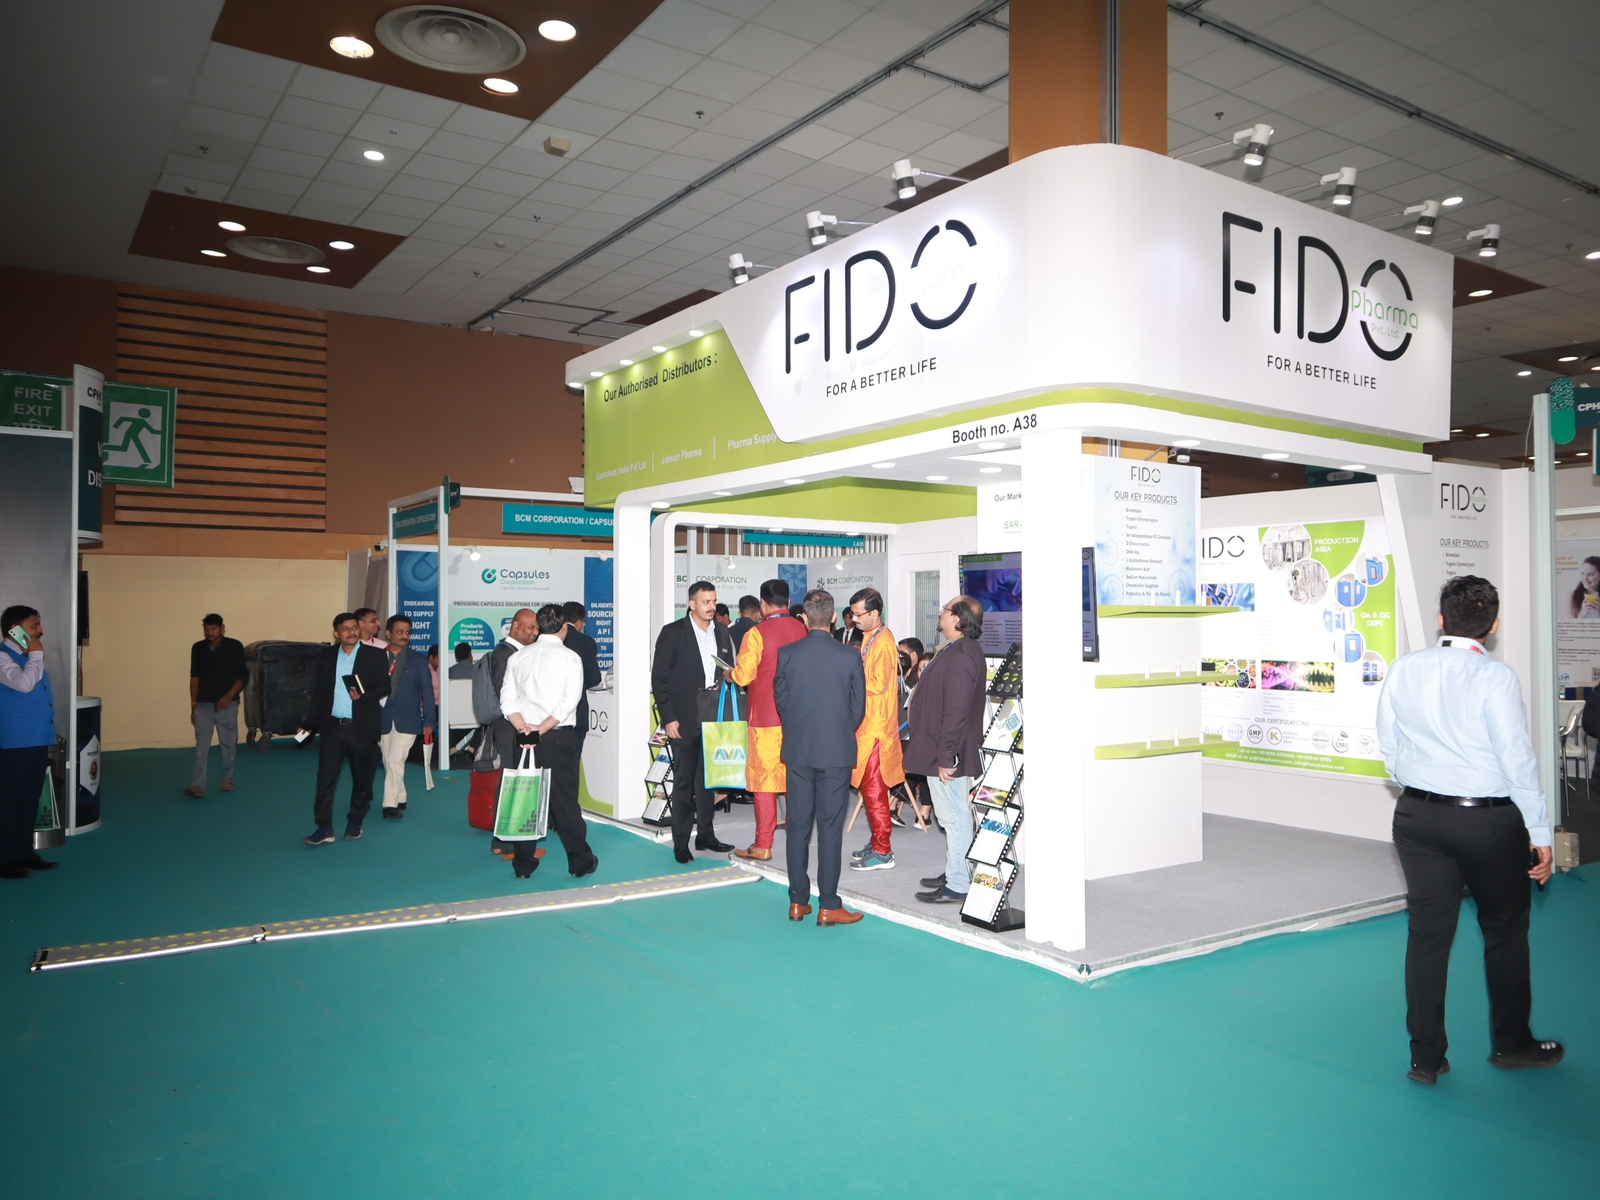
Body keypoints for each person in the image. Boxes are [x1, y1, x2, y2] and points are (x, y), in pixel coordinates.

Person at [1377, 575, 1563, 1085]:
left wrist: (1420, 783)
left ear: (1441, 619)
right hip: (1487, 822)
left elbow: (1388, 744)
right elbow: (1516, 759)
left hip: (1416, 817)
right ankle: (1512, 1045)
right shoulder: (1495, 677)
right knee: (1505, 931)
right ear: (1493, 625)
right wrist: (1540, 832)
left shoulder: (1404, 667)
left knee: (1427, 935)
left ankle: (1425, 1058)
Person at [773, 589, 866, 926]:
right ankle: (828, 905)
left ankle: (798, 902)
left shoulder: (787, 653)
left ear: (803, 618)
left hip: (798, 750)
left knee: (797, 827)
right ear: (833, 618)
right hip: (836, 751)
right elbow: (858, 707)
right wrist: (838, 730)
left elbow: (781, 701)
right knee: (830, 829)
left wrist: (800, 728)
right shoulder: (850, 655)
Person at [499, 604, 598, 880]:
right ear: (564, 627)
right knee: (565, 802)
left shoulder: (518, 657)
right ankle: (580, 862)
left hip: (523, 737)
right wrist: (540, 729)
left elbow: (507, 701)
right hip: (557, 737)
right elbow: (568, 703)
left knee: (525, 798)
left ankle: (523, 865)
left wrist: (525, 728)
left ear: (539, 627)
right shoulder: (570, 658)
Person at [906, 597, 988, 905]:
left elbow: (956, 711)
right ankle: (957, 870)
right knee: (952, 816)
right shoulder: (957, 649)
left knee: (954, 818)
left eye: (946, 609)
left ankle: (959, 883)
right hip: (942, 749)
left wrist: (946, 756)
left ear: (957, 619)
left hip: (948, 753)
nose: (940, 613)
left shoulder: (963, 654)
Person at [651, 580, 737, 862]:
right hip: (684, 718)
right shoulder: (673, 632)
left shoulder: (722, 632)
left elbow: (727, 669)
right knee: (684, 781)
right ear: (692, 604)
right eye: (705, 602)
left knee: (709, 780)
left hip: (714, 717)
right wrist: (669, 718)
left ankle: (706, 835)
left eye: (713, 601)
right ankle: (680, 842)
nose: (711, 606)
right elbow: (659, 679)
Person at [728, 578, 806, 862]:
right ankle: (799, 839)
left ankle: (763, 844)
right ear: (788, 601)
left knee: (764, 783)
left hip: (765, 718)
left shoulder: (757, 634)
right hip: (798, 718)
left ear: (762, 604)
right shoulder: (803, 629)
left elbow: (744, 675)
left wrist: (729, 673)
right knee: (796, 779)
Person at [299, 612, 391, 845]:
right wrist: (307, 726)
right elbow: (319, 694)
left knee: (362, 780)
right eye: (345, 628)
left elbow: (384, 686)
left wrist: (364, 696)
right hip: (332, 729)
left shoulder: (375, 655)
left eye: (354, 627)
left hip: (361, 728)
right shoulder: (326, 656)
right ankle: (324, 828)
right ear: (336, 633)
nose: (351, 632)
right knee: (325, 778)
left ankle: (355, 820)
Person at [846, 588, 906, 872]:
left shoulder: (883, 642)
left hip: (877, 730)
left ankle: (883, 851)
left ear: (874, 613)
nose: (854, 619)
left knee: (874, 792)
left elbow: (879, 684)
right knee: (871, 791)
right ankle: (877, 841)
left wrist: (847, 682)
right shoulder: (871, 636)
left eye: (859, 614)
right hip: (868, 726)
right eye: (852, 614)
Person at [0, 606, 58, 878]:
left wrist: (33, 655)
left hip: (35, 739)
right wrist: (36, 655)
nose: (40, 630)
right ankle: (3, 859)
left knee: (28, 799)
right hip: (13, 743)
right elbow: (24, 684)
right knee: (9, 800)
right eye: (34, 625)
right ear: (15, 630)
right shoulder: (3, 657)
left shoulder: (28, 656)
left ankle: (23, 852)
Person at [378, 615, 435, 820]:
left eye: (408, 632)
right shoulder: (376, 658)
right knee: (388, 760)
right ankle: (401, 796)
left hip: (409, 719)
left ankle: (389, 804)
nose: (404, 636)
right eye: (400, 632)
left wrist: (429, 720)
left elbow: (427, 692)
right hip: (382, 718)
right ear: (388, 633)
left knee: (395, 760)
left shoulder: (418, 660)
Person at [184, 612, 247, 798]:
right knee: (201, 747)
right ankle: (197, 786)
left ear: (222, 628)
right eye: (207, 629)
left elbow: (243, 676)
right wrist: (194, 704)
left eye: (213, 628)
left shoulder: (234, 646)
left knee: (228, 744)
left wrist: (229, 696)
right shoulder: (198, 648)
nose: (210, 632)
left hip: (228, 706)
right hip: (203, 706)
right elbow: (194, 677)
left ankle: (227, 780)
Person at [562, 601, 602, 757]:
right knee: (572, 763)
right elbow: (594, 678)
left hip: (547, 717)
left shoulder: (548, 641)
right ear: (579, 622)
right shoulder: (586, 642)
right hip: (577, 713)